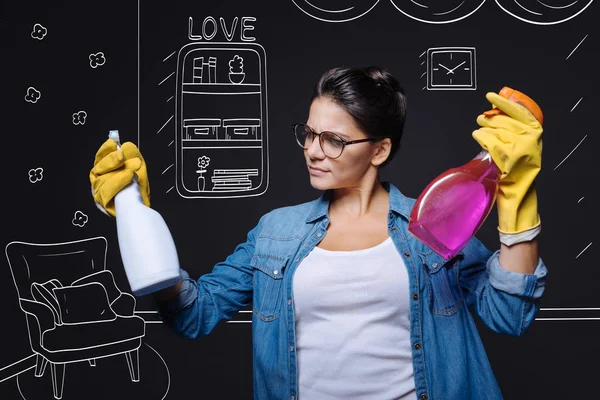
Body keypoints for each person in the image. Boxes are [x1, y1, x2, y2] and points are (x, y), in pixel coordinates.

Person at [89, 66, 548, 400]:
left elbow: (508, 315)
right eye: (308, 134)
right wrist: (137, 224)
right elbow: (194, 314)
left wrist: (518, 201)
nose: (313, 151)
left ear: (380, 149)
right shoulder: (277, 232)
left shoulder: (430, 222)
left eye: (333, 140)